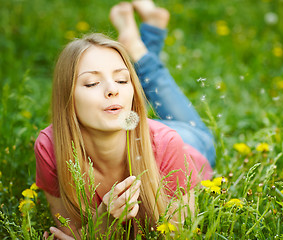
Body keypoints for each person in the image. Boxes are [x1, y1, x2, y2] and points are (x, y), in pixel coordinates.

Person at [35, 1, 215, 239]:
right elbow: (69, 232)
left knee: (161, 89)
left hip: (190, 142)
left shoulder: (167, 143)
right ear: (67, 97)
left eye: (122, 80)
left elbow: (178, 234)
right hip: (146, 132)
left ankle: (137, 48)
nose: (113, 90)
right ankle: (138, 43)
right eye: (92, 83)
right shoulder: (50, 147)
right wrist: (104, 219)